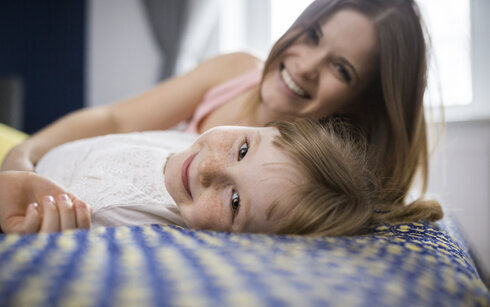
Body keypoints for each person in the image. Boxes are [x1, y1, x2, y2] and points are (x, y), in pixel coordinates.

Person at [1, 0, 435, 207]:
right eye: (312, 37)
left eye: (341, 70)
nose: (305, 67)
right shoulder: (234, 71)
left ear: (361, 103)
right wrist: (25, 153)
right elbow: (114, 116)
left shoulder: (307, 180)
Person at [0, 119, 442, 236]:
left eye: (235, 203)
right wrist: (21, 157)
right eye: (243, 149)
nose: (210, 170)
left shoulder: (127, 219)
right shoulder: (188, 142)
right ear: (268, 126)